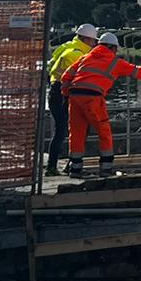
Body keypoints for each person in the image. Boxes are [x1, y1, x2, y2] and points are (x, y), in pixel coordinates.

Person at [60, 32, 141, 176]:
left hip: (75, 96)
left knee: (77, 133)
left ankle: (75, 169)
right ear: (112, 48)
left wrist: (66, 93)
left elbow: (65, 77)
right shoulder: (115, 62)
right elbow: (137, 72)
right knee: (104, 132)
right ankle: (105, 168)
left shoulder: (85, 58)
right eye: (116, 49)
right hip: (93, 98)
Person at [45, 23, 98, 174]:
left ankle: (52, 166)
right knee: (78, 129)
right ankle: (70, 166)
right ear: (86, 39)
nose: (94, 44)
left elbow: (51, 69)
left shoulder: (65, 47)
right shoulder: (77, 55)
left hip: (55, 91)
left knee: (60, 130)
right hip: (66, 94)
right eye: (93, 41)